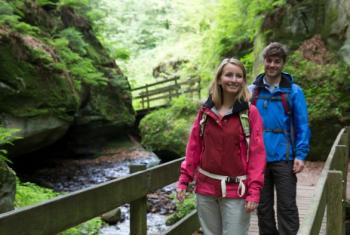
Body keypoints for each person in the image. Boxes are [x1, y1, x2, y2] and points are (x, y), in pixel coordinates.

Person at [176, 58, 266, 235]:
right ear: (219, 79)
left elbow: (257, 154)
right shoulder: (205, 111)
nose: (234, 79)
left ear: (243, 81)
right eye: (229, 75)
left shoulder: (250, 113)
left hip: (236, 189)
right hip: (206, 188)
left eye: (239, 76)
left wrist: (254, 191)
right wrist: (184, 179)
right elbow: (194, 147)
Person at [249, 42, 311, 235]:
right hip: (258, 159)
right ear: (264, 61)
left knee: (287, 206)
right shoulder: (252, 91)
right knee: (264, 208)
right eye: (269, 60)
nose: (272, 65)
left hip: (284, 158)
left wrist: (300, 154)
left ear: (283, 63)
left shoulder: (293, 91)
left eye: (277, 61)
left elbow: (302, 125)